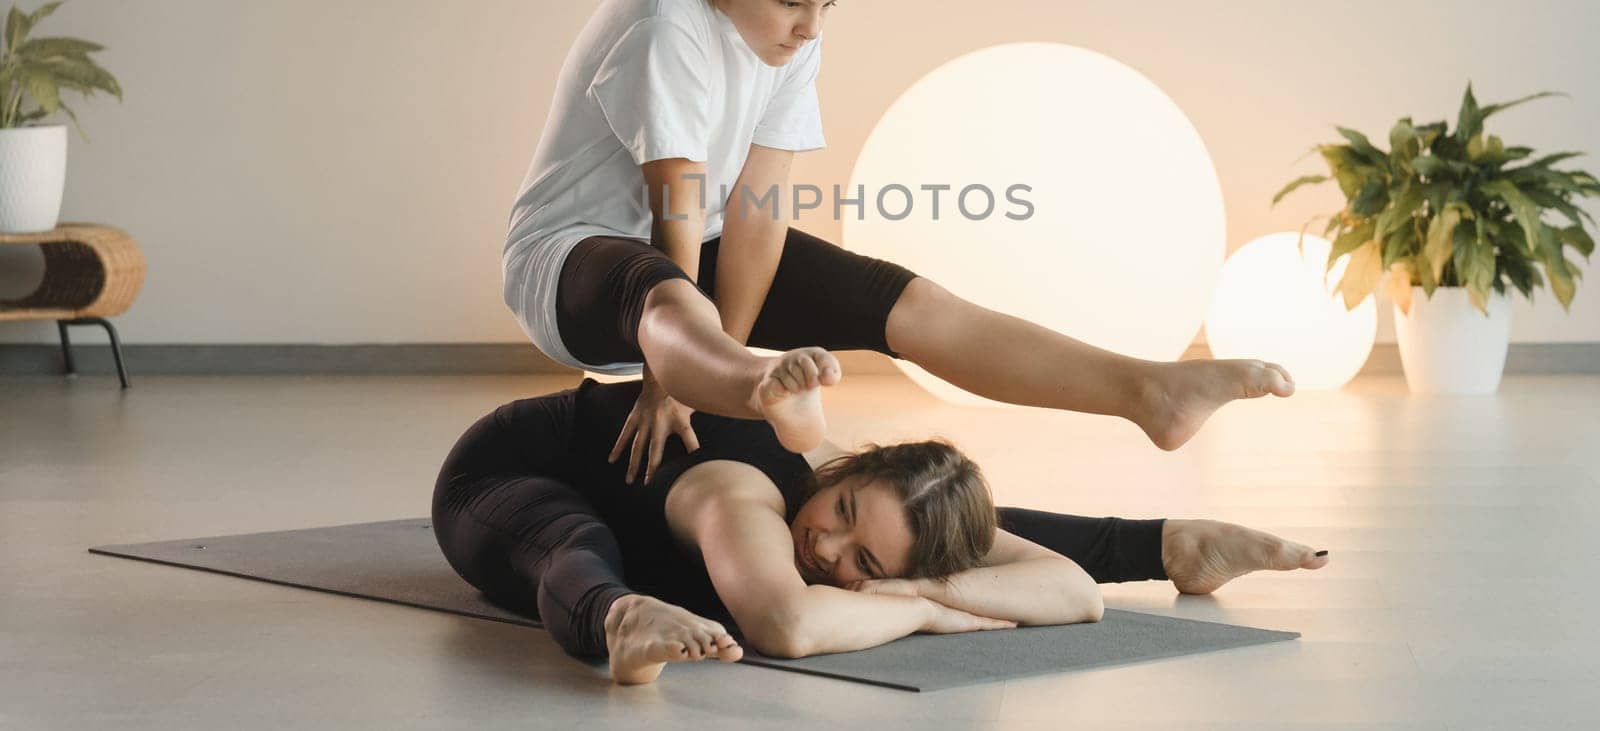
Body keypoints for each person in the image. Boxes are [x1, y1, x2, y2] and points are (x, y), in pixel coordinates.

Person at [501, 0, 1298, 483]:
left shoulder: (790, 33)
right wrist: (674, 379)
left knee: (913, 304)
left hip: (690, 271)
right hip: (572, 259)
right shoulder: (663, 17)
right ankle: (761, 391)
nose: (810, 28)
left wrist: (715, 368)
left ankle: (1146, 391)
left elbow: (756, 209)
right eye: (790, 3)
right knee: (667, 288)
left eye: (827, 6)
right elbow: (673, 204)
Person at [431, 373, 1331, 685]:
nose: (825, 551)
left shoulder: (873, 535)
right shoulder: (744, 497)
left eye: (864, 561)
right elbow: (788, 628)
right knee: (572, 538)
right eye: (843, 513)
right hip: (504, 476)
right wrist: (932, 611)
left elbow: (1070, 596)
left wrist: (917, 583)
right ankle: (619, 617)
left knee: (961, 527)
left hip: (609, 495)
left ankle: (1170, 542)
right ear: (843, 466)